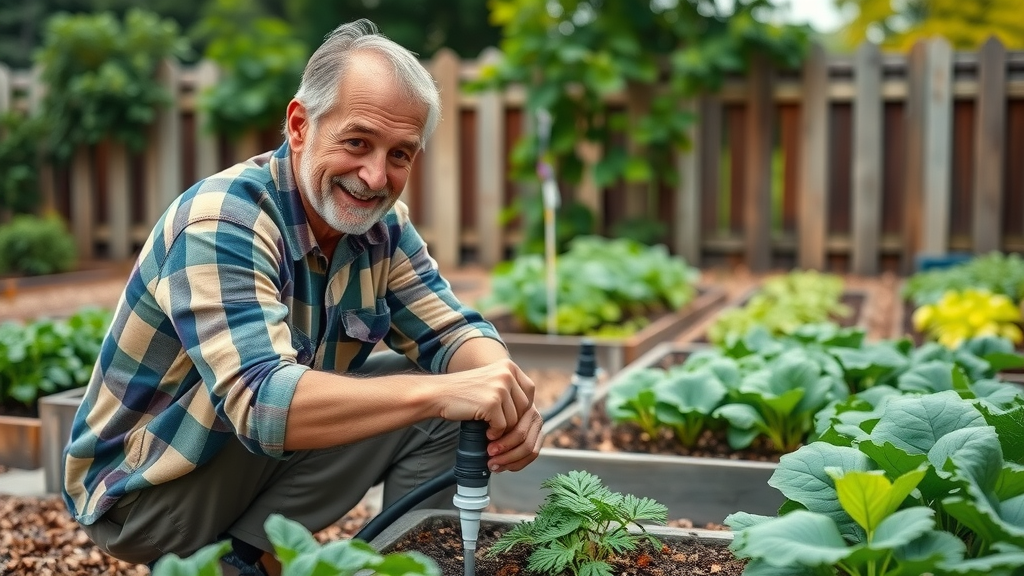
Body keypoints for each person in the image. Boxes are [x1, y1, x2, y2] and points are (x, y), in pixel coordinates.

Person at [61, 18, 542, 576]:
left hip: (238, 463)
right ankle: (228, 553)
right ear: (299, 124)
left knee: (447, 406)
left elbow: (453, 331)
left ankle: (279, 558)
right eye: (358, 142)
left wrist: (504, 390)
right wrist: (446, 392)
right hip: (150, 492)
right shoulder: (224, 220)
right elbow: (262, 403)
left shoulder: (381, 228)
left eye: (401, 155)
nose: (375, 175)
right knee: (429, 402)